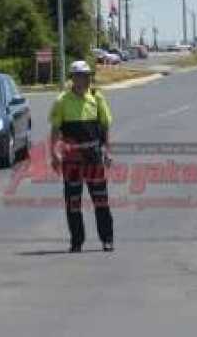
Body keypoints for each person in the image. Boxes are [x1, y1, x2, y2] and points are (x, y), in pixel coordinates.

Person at [49, 60, 114, 253]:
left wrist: (107, 152)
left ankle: (107, 239)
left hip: (93, 156)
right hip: (72, 158)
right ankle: (76, 241)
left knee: (101, 200)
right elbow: (54, 129)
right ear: (72, 78)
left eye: (85, 76)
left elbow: (105, 127)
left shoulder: (97, 98)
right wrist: (54, 154)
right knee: (73, 202)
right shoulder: (62, 101)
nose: (82, 80)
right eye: (78, 76)